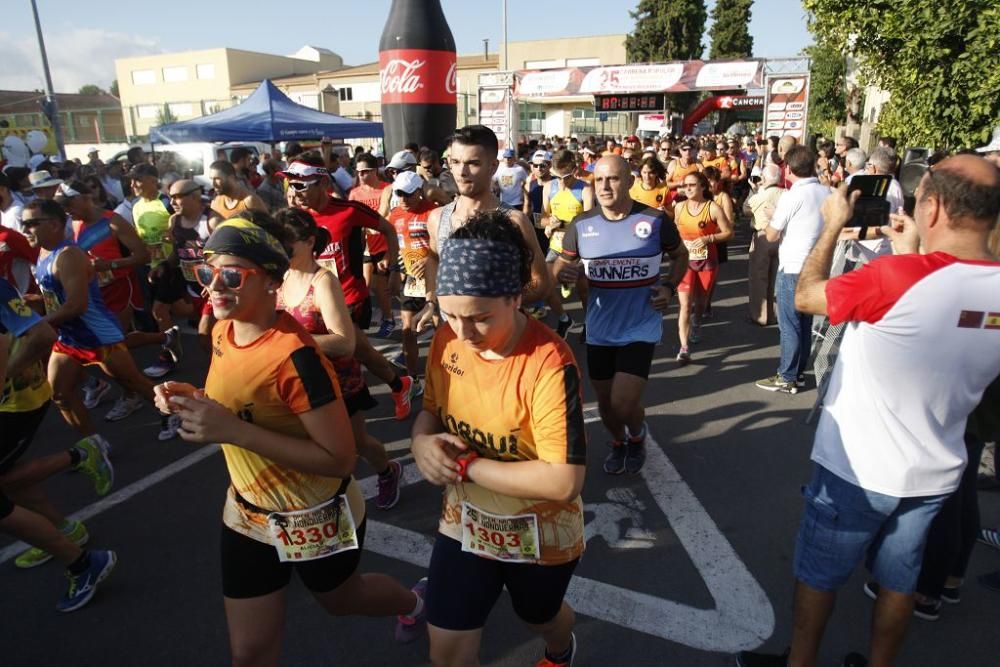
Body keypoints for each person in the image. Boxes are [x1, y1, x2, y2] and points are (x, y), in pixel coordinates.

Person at [737, 153, 1000, 667]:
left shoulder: (893, 278)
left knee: (818, 576)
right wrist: (910, 250)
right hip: (935, 473)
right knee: (899, 581)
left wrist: (833, 223)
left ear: (934, 208)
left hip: (855, 469)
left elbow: (807, 297)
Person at [155, 217, 424, 665]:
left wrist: (231, 430)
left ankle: (415, 604)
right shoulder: (224, 329)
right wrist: (191, 399)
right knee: (249, 653)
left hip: (313, 514)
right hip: (246, 514)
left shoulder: (296, 358)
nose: (214, 286)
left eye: (232, 275)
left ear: (271, 284)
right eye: (207, 273)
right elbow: (240, 404)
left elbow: (339, 459)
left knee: (341, 600)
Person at [409, 210, 586, 667]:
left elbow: (563, 481)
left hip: (540, 531)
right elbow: (431, 411)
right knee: (446, 650)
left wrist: (465, 467)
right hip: (465, 521)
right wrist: (420, 443)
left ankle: (560, 648)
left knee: (539, 617)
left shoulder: (549, 362)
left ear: (515, 298)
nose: (463, 333)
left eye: (480, 318)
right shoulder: (447, 340)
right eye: (450, 313)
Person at [551, 156, 687, 475]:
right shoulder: (582, 225)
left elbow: (680, 256)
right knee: (605, 404)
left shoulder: (655, 219)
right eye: (599, 180)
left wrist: (668, 287)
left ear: (629, 181)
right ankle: (617, 441)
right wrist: (563, 275)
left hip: (640, 326)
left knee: (622, 402)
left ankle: (637, 437)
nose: (605, 187)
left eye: (612, 179)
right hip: (600, 328)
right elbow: (559, 267)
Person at [274, 208, 403, 511]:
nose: (279, 248)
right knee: (310, 446)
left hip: (339, 385)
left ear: (307, 241)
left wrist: (287, 343)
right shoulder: (279, 278)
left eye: (285, 241)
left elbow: (344, 343)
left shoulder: (323, 282)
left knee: (357, 446)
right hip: (299, 384)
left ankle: (387, 471)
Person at [21, 199, 180, 443]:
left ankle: (173, 412)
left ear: (53, 224)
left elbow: (76, 305)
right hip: (69, 337)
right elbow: (57, 297)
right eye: (24, 223)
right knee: (60, 393)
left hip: (96, 334)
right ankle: (93, 446)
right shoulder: (44, 253)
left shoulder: (68, 256)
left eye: (31, 223)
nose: (25, 229)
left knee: (132, 381)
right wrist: (32, 301)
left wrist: (35, 324)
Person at [0, 277, 117, 608]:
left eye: (35, 221)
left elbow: (41, 334)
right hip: (15, 402)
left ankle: (80, 559)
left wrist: (9, 372)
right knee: (9, 481)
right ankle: (64, 529)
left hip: (15, 406)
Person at [284, 157, 418, 421]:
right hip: (309, 300)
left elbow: (389, 230)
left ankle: (395, 386)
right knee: (336, 357)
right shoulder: (297, 219)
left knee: (354, 350)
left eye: (301, 185)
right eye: (291, 184)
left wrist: (392, 268)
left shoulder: (348, 209)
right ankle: (385, 390)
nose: (294, 191)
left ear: (323, 183)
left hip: (350, 297)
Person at [420, 125, 551, 337]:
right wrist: (431, 302)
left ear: (492, 167)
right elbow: (434, 259)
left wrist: (494, 304)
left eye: (473, 163)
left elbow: (541, 283)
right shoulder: (437, 218)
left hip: (502, 340)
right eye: (455, 162)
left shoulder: (515, 221)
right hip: (454, 338)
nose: (461, 172)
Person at [755, 146, 831, 392]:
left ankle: (787, 377)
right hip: (817, 266)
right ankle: (797, 374)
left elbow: (772, 234)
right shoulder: (826, 191)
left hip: (793, 266)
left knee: (789, 325)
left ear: (788, 168)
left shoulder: (791, 196)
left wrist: (770, 216)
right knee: (805, 323)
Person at [672, 171, 732, 364]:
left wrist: (708, 238)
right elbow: (674, 231)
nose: (687, 188)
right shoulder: (679, 207)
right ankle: (684, 348)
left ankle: (697, 322)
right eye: (685, 185)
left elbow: (728, 232)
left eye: (692, 185)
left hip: (707, 261)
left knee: (700, 302)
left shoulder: (713, 208)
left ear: (703, 187)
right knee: (684, 305)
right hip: (684, 262)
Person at [387, 172, 437, 379]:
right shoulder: (395, 215)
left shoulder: (434, 213)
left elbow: (448, 247)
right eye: (399, 193)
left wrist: (429, 260)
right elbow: (395, 247)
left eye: (408, 194)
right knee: (407, 330)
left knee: (440, 329)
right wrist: (392, 271)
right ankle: (413, 378)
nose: (403, 199)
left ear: (420, 192)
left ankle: (442, 375)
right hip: (411, 281)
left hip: (435, 279)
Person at [542, 150, 594, 339]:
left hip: (579, 248)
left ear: (574, 170)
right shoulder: (549, 187)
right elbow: (541, 218)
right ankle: (565, 319)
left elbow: (588, 222)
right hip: (556, 246)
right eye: (557, 177)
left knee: (583, 291)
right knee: (544, 288)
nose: (561, 181)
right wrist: (548, 225)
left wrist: (560, 224)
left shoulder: (585, 189)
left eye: (564, 177)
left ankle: (589, 323)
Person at [348, 153, 394, 338]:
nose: (361, 175)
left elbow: (389, 216)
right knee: (368, 285)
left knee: (382, 286)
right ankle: (369, 320)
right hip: (366, 246)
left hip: (385, 245)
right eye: (358, 172)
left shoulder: (386, 189)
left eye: (365, 171)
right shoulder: (354, 193)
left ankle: (389, 318)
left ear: (375, 171)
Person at [743, 164, 784, 326]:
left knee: (758, 278)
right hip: (782, 238)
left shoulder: (758, 197)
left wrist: (755, 189)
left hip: (762, 236)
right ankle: (774, 314)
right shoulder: (787, 194)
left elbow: (746, 210)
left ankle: (760, 316)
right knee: (775, 278)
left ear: (764, 178)